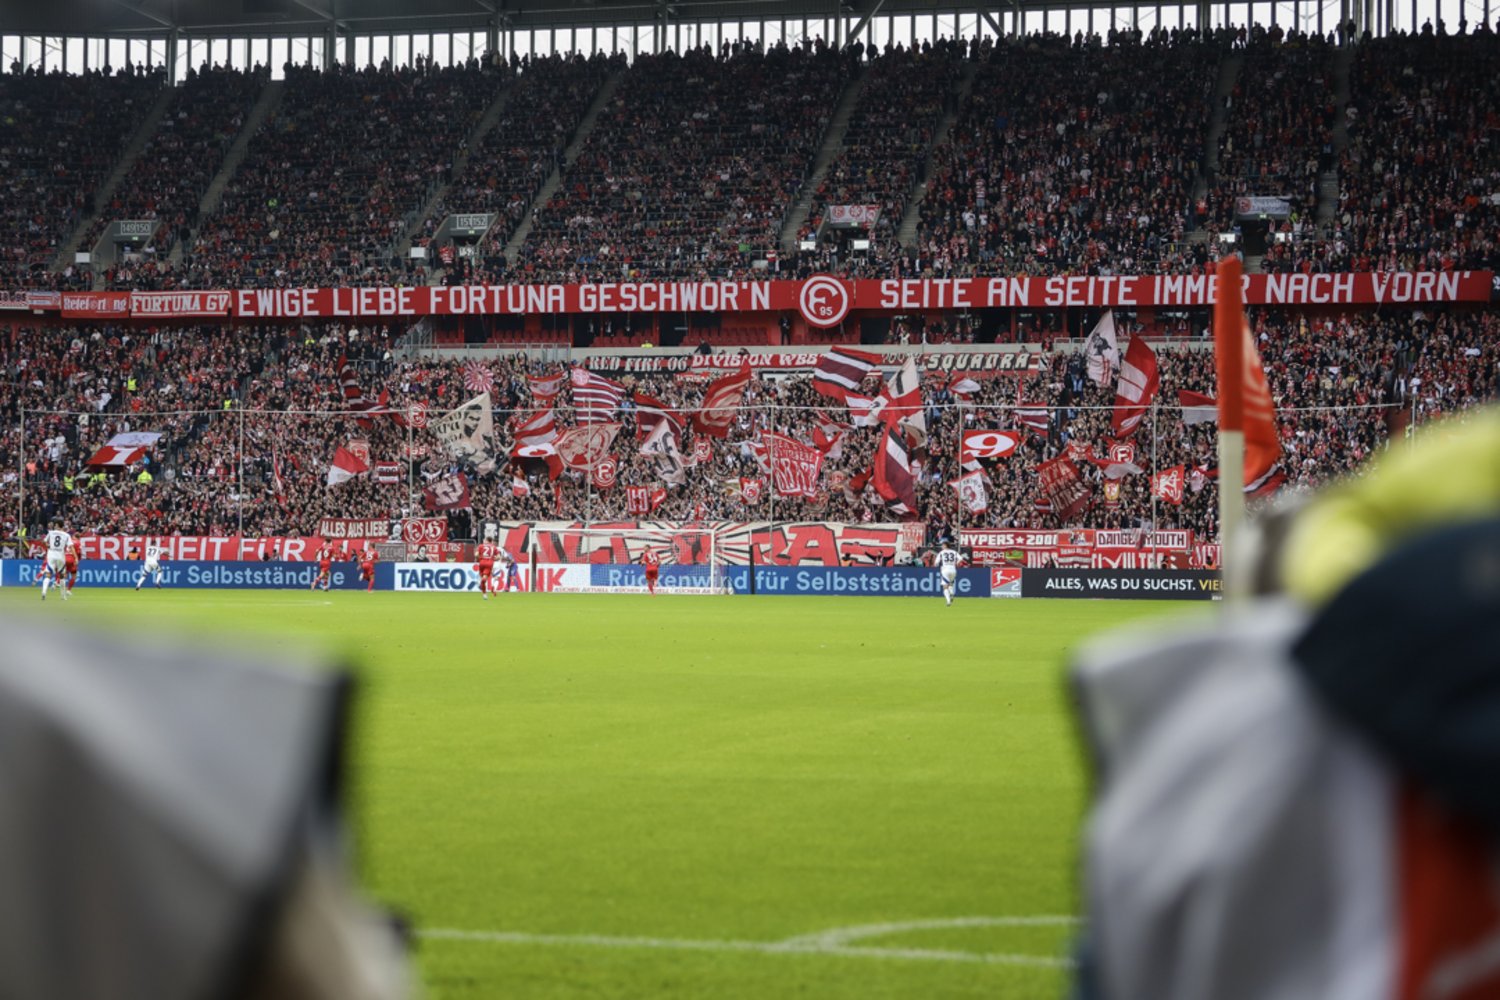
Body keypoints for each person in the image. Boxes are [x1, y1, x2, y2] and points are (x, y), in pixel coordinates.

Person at [41, 527, 71, 602]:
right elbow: (70, 546)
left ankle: (44, 592)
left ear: (57, 525)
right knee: (62, 576)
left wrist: (48, 546)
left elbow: (44, 541)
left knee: (48, 575)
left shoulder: (51, 533)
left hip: (51, 555)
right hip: (60, 556)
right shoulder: (66, 535)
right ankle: (63, 596)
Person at [936, 539, 962, 606]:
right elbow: (961, 558)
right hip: (953, 569)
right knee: (950, 584)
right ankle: (952, 592)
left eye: (942, 545)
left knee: (945, 586)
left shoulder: (942, 552)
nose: (941, 546)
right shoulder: (954, 552)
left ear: (945, 545)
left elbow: (936, 563)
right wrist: (956, 563)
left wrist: (937, 565)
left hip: (945, 570)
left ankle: (948, 601)